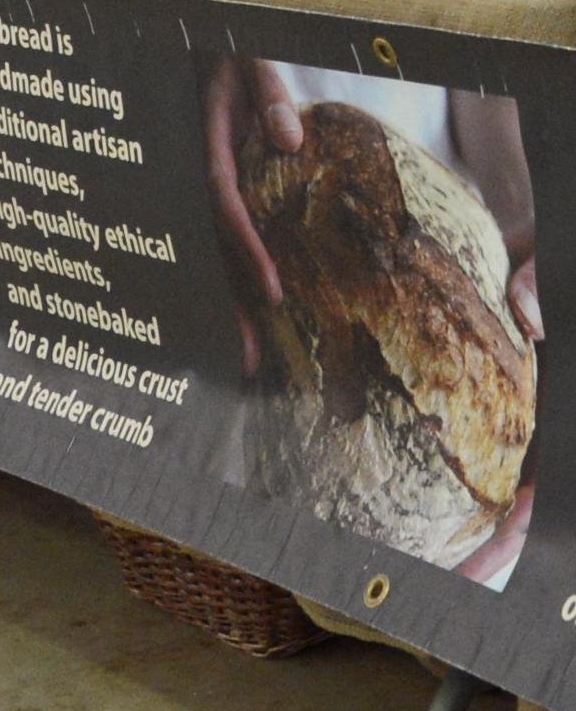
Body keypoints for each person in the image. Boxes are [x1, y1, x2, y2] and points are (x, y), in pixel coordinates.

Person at [204, 56, 540, 587]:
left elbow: (486, 51)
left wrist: (531, 215)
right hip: (218, 219)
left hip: (436, 201)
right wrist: (200, 46)